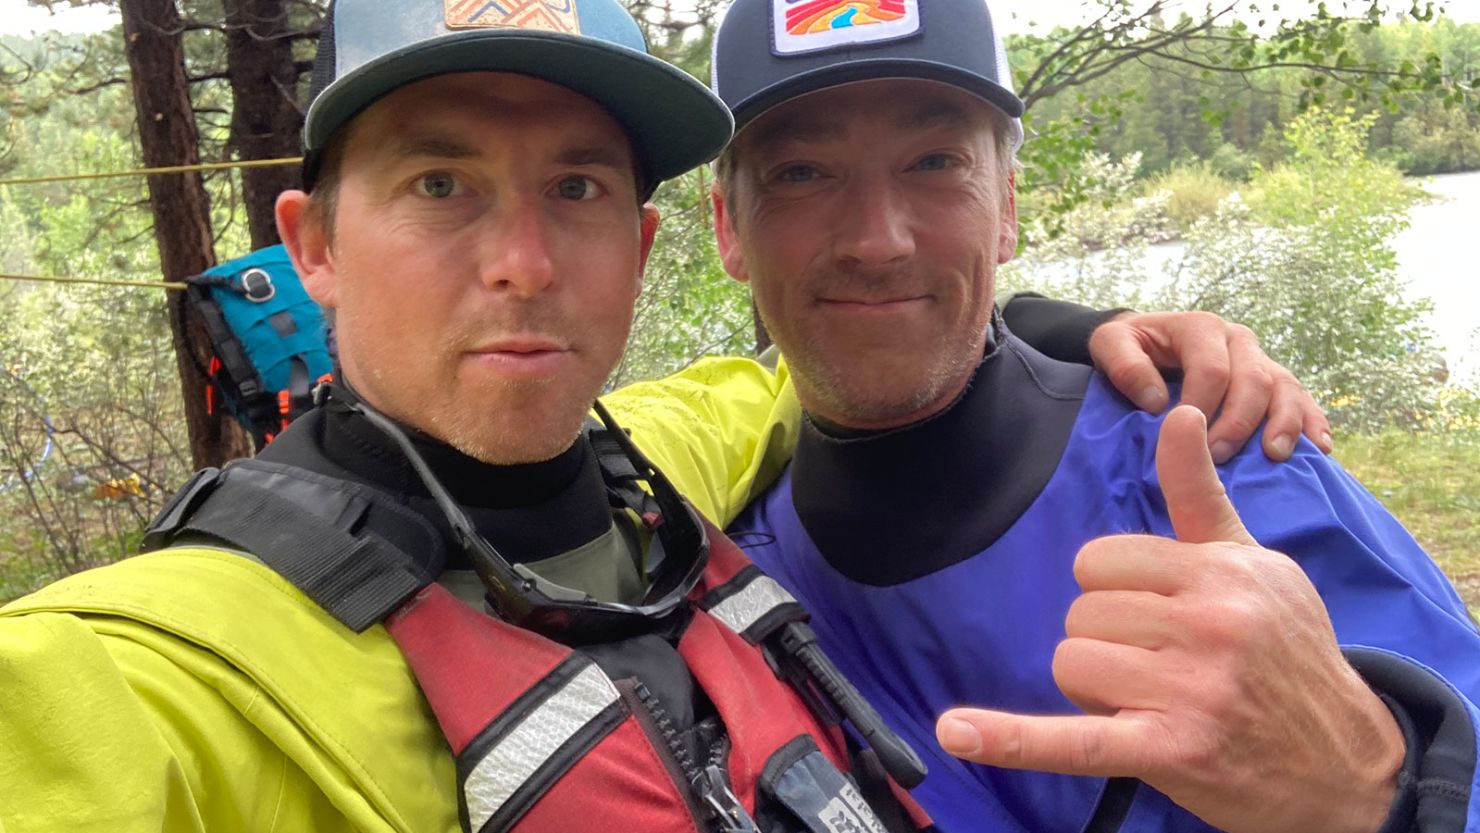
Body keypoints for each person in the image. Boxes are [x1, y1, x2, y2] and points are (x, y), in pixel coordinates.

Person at [0, 0, 1312, 831]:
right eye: (442, 181)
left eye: (573, 188)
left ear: (638, 246)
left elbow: (830, 353)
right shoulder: (142, 669)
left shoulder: (657, 462)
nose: (522, 260)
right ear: (315, 248)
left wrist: (1061, 332)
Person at [604, 0, 1480, 831]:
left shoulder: (1214, 460)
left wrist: (1379, 789)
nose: (878, 239)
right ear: (727, 228)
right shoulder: (715, 569)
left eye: (935, 162)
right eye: (801, 173)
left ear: (1009, 206)